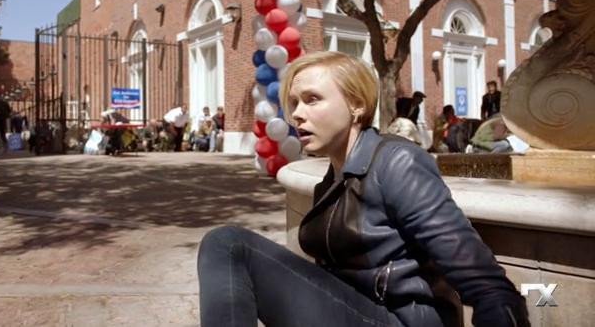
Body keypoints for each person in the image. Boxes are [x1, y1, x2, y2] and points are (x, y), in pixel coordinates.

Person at [197, 51, 528, 327]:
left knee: (228, 244)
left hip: (399, 319)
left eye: (312, 99)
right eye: (294, 102)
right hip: (356, 311)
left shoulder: (397, 163)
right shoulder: (333, 179)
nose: (296, 114)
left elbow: (487, 285)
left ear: (356, 105)